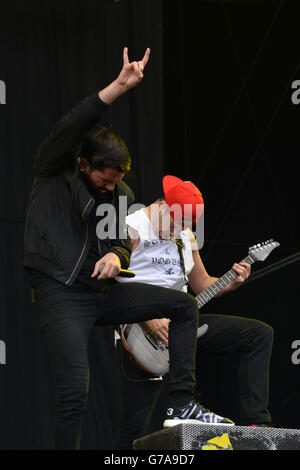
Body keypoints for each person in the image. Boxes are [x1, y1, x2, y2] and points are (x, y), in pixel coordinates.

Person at [24, 48, 233, 450]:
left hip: (102, 291)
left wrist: (116, 256)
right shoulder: (54, 169)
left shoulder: (120, 192)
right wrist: (118, 87)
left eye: (117, 179)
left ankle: (183, 405)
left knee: (184, 305)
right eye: (106, 176)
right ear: (84, 163)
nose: (111, 185)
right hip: (60, 291)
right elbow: (71, 126)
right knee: (75, 391)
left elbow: (120, 242)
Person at [114, 175, 274, 450]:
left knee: (258, 335)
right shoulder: (133, 226)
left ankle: (257, 426)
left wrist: (231, 282)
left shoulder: (185, 236)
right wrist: (149, 318)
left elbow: (201, 284)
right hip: (140, 332)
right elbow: (115, 282)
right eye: (176, 222)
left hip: (183, 324)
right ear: (163, 205)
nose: (179, 229)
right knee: (134, 427)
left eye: (186, 225)